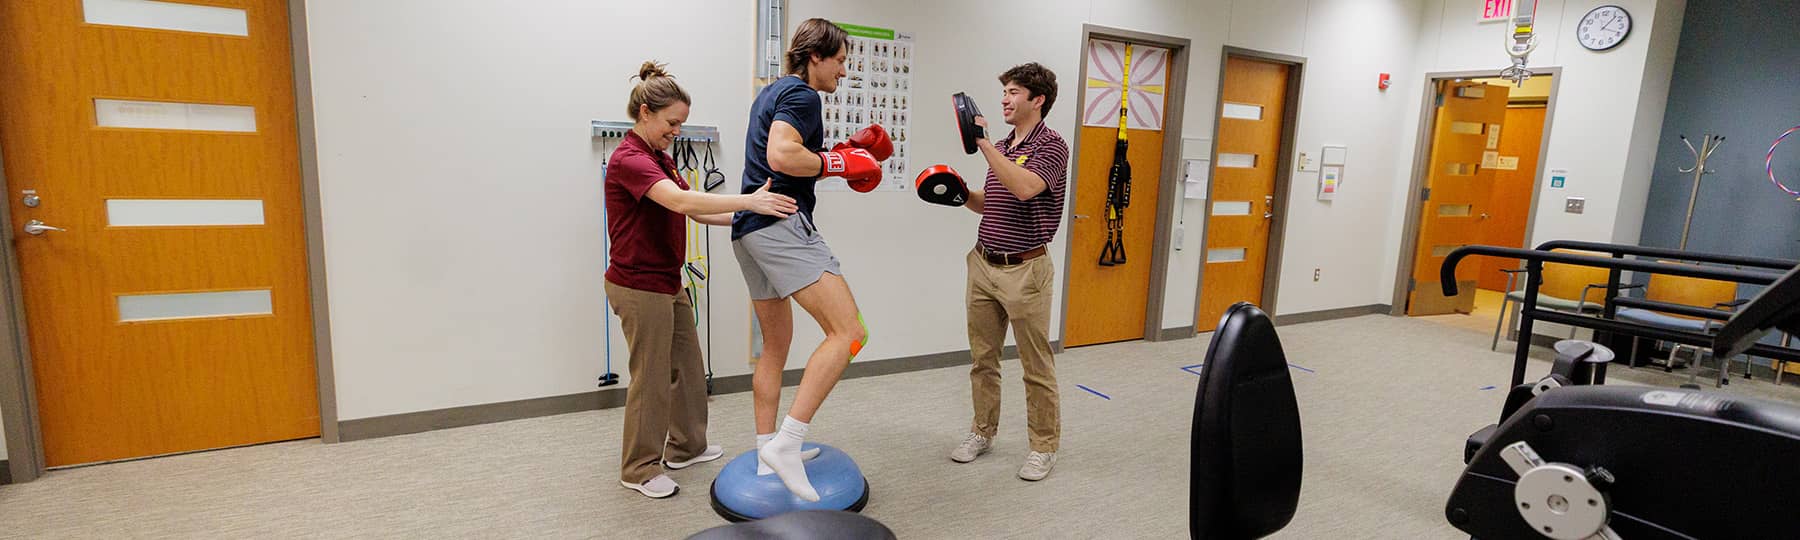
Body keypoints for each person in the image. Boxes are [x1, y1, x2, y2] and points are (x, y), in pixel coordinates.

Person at [607, 61, 799, 499]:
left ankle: (686, 446)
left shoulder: (658, 156)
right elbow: (679, 200)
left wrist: (749, 216)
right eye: (672, 122)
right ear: (644, 113)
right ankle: (638, 468)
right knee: (651, 377)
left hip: (665, 281)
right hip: (637, 286)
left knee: (688, 368)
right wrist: (751, 198)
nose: (677, 130)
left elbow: (694, 209)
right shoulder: (630, 159)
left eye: (682, 123)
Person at [732, 18, 889, 502]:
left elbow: (781, 160)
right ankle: (787, 442)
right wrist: (837, 163)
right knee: (850, 332)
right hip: (782, 227)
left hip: (749, 229)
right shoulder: (804, 96)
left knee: (775, 346)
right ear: (815, 56)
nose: (845, 70)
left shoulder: (772, 92)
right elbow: (782, 157)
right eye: (840, 60)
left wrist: (830, 157)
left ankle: (765, 452)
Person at [948, 62, 1070, 481]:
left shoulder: (1052, 146)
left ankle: (1043, 447)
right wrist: (962, 194)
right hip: (983, 262)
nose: (1004, 98)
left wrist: (983, 145)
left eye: (1014, 92)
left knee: (1036, 366)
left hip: (1025, 270)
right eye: (1004, 91)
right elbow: (997, 201)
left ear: (1038, 100)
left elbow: (1025, 187)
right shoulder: (1003, 144)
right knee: (983, 359)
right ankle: (982, 432)